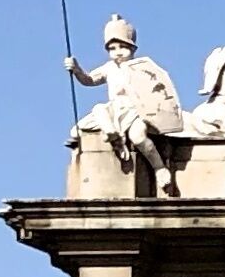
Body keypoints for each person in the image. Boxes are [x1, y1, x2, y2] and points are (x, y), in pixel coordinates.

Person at [67, 15, 187, 192]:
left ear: (132, 48)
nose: (118, 52)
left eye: (123, 47)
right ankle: (112, 134)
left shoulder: (141, 68)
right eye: (113, 48)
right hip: (115, 109)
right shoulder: (108, 68)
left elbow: (156, 91)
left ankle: (159, 168)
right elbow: (89, 80)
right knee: (96, 111)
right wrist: (77, 70)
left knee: (138, 137)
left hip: (136, 110)